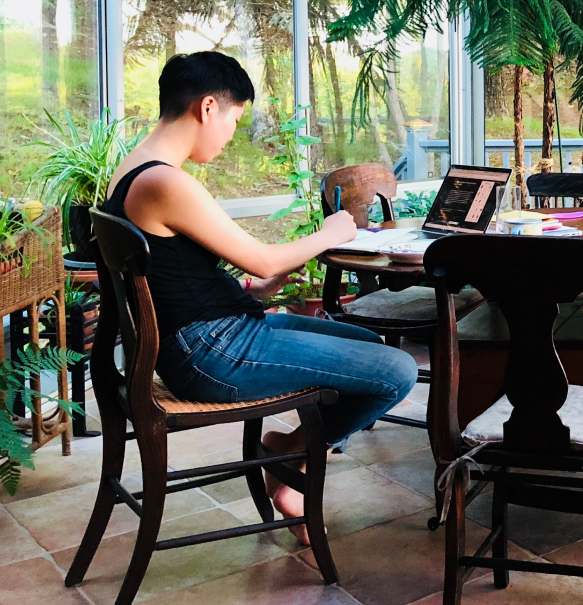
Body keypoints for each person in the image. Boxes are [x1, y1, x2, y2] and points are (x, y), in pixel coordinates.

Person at [103, 51, 418, 543]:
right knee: (396, 371)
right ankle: (292, 452)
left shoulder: (135, 169)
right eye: (234, 119)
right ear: (209, 107)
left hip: (210, 335)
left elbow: (175, 274)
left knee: (370, 345)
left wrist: (253, 289)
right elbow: (264, 258)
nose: (231, 134)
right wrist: (333, 230)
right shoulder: (165, 181)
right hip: (212, 352)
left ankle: (288, 451)